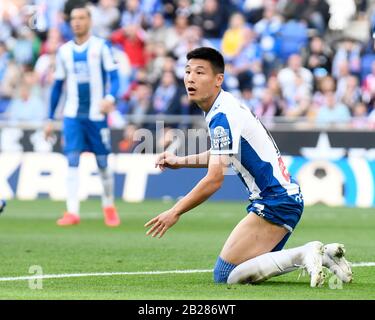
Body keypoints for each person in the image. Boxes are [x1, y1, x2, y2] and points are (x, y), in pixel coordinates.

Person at [145, 47, 352, 286]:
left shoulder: (222, 114)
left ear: (218, 79)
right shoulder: (223, 107)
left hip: (275, 201)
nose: (190, 78)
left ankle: (305, 252)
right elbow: (222, 154)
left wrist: (175, 212)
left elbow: (214, 179)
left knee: (226, 275)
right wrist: (181, 162)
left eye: (200, 72)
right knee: (245, 269)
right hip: (281, 199)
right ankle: (326, 257)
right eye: (188, 71)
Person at [44, 5, 121, 227]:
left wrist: (110, 98)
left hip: (97, 115)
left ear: (89, 21)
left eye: (81, 18)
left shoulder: (101, 46)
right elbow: (57, 87)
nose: (76, 22)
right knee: (72, 158)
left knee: (103, 161)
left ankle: (108, 206)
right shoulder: (64, 52)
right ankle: (72, 211)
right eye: (73, 19)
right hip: (72, 115)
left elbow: (115, 79)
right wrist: (50, 118)